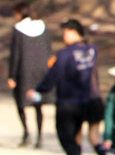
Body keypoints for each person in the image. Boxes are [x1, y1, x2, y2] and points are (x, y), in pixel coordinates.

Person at [28, 19, 98, 155]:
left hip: (67, 102)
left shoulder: (65, 54)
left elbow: (53, 76)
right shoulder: (91, 51)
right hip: (84, 101)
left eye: (66, 32)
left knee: (65, 137)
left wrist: (39, 90)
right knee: (76, 136)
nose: (63, 36)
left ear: (74, 32)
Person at [8, 2, 54, 148]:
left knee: (21, 103)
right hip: (41, 73)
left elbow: (15, 55)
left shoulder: (18, 30)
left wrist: (12, 76)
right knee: (38, 104)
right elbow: (48, 51)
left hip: (24, 72)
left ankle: (26, 132)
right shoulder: (43, 27)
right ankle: (39, 136)